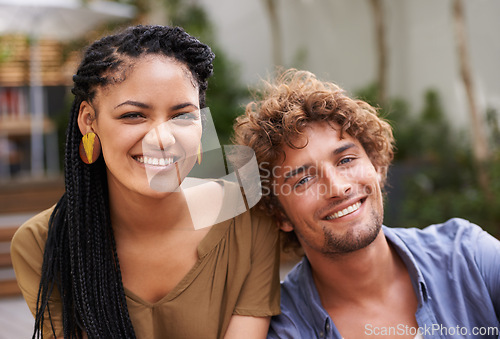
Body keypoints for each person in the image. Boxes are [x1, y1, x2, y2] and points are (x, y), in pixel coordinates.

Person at [11, 25, 280, 339]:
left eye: (182, 115)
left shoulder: (247, 216)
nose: (162, 139)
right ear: (89, 121)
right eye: (133, 115)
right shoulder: (44, 243)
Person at [234, 69, 500, 338]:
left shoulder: (467, 257)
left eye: (346, 160)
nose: (338, 188)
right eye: (303, 180)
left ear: (377, 166)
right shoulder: (281, 330)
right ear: (279, 215)